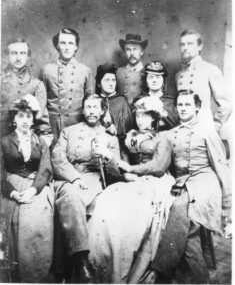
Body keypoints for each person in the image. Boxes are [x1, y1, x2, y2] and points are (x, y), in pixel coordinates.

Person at [138, 90, 231, 284]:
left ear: (197, 107)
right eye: (180, 105)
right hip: (181, 184)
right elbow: (151, 149)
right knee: (188, 227)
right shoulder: (171, 134)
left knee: (179, 207)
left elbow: (221, 167)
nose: (183, 108)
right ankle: (201, 279)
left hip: (205, 183)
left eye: (187, 105)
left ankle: (158, 271)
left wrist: (227, 205)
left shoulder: (207, 131)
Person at [88, 95, 175, 283]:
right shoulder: (131, 136)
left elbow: (159, 167)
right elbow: (123, 165)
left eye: (145, 116)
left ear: (153, 118)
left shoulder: (163, 139)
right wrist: (126, 172)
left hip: (156, 182)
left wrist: (131, 169)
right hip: (134, 181)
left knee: (135, 213)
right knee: (108, 199)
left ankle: (125, 267)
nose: (140, 120)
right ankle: (103, 262)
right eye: (138, 115)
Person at [51, 94, 122, 283]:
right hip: (68, 178)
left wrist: (107, 157)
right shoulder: (69, 131)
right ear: (83, 110)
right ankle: (81, 261)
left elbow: (116, 174)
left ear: (102, 111)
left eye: (95, 108)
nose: (91, 111)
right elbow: (57, 159)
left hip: (94, 180)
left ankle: (71, 269)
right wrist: (74, 178)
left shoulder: (109, 138)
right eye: (88, 107)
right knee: (71, 197)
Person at [0, 99, 54, 282]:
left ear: (33, 120)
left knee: (39, 218)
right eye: (20, 116)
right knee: (12, 218)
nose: (24, 120)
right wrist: (13, 192)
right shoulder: (4, 142)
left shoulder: (40, 142)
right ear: (14, 119)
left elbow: (45, 169)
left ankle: (37, 275)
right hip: (11, 185)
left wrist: (33, 190)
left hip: (36, 185)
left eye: (28, 117)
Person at [41, 28, 94, 145]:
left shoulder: (85, 71)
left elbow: (91, 102)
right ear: (57, 46)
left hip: (77, 124)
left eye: (71, 43)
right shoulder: (46, 70)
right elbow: (41, 103)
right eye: (63, 43)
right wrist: (45, 128)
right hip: (53, 125)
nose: (67, 47)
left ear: (76, 47)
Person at [175, 29, 232, 132]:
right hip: (183, 131)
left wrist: (214, 128)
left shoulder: (211, 70)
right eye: (182, 44)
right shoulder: (179, 75)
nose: (185, 47)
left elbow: (226, 105)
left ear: (199, 46)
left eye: (190, 44)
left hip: (204, 130)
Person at [1, 38, 53, 145]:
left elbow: (42, 124)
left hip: (28, 143)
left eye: (23, 53)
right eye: (14, 53)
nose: (19, 58)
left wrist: (38, 147)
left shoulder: (37, 85)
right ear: (7, 56)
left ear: (28, 56)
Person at [95, 63, 133, 159]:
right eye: (107, 80)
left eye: (113, 80)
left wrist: (116, 130)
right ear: (99, 83)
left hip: (120, 147)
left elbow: (128, 125)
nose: (111, 83)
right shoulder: (95, 101)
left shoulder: (122, 101)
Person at [133, 61, 179, 131]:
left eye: (158, 77)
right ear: (146, 81)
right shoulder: (138, 100)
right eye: (150, 77)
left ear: (163, 81)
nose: (154, 80)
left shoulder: (171, 103)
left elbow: (176, 126)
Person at [116, 33, 148, 104]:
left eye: (135, 49)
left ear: (142, 52)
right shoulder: (117, 73)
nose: (132, 53)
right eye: (128, 49)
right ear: (124, 52)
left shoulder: (149, 73)